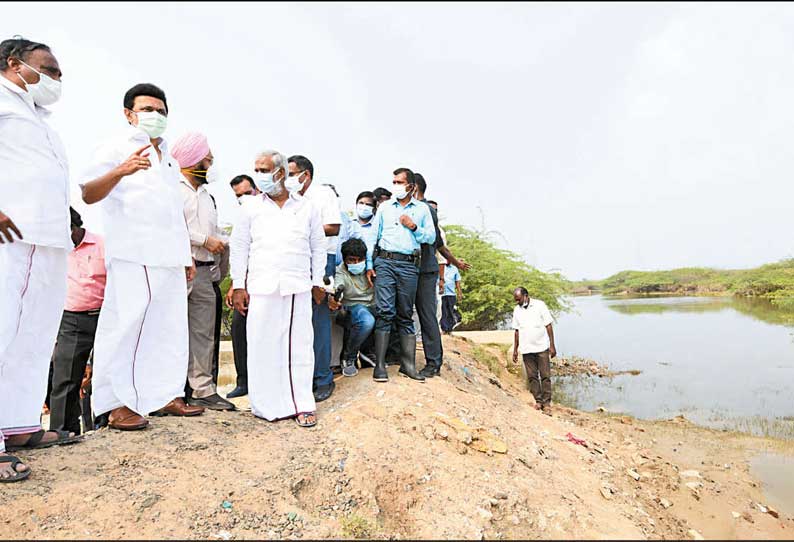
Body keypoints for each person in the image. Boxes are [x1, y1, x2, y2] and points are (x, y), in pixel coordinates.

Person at [80, 83, 204, 431]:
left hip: (168, 257)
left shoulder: (169, 158)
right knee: (124, 328)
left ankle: (164, 395)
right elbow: (89, 193)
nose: (156, 116)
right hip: (134, 252)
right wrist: (120, 170)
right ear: (129, 114)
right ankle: (115, 403)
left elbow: (172, 210)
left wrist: (186, 256)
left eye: (162, 111)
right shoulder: (114, 148)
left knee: (168, 328)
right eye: (148, 109)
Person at [0, 36, 80, 482]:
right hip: (10, 235)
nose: (56, 80)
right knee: (1, 327)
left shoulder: (37, 115)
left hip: (45, 237)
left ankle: (18, 423)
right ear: (14, 64)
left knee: (32, 334)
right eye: (49, 70)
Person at [229, 150, 326, 427]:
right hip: (261, 285)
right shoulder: (249, 207)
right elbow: (239, 247)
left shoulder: (306, 207)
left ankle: (302, 404)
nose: (258, 175)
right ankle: (266, 405)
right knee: (262, 346)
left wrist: (317, 281)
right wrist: (238, 285)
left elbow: (318, 247)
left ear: (280, 173)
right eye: (256, 169)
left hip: (297, 285)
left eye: (263, 170)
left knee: (298, 346)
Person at [172, 132, 235, 411]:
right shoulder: (172, 191)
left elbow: (214, 232)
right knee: (171, 332)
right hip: (177, 271)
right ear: (191, 161)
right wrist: (203, 240)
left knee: (203, 333)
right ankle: (169, 392)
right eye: (207, 160)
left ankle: (202, 389)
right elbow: (167, 228)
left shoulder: (208, 197)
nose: (210, 165)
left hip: (205, 273)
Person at [365, 168, 436, 383]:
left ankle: (408, 365)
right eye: (394, 181)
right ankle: (380, 366)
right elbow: (372, 238)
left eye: (400, 182)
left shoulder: (422, 210)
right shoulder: (385, 208)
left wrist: (414, 227)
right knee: (385, 310)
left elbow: (431, 238)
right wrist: (369, 264)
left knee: (405, 313)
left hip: (409, 265)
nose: (396, 185)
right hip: (385, 262)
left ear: (411, 186)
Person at [286, 155, 341, 403]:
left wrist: (302, 228)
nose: (287, 178)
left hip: (320, 259)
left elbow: (333, 226)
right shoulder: (288, 198)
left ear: (305, 175)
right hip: (294, 260)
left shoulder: (322, 195)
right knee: (297, 322)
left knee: (318, 321)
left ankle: (322, 379)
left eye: (291, 173)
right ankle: (300, 381)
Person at [49, 208, 106, 436]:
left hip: (104, 317)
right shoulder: (55, 250)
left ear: (74, 227)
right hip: (71, 320)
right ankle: (63, 431)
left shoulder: (103, 245)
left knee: (106, 374)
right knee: (66, 377)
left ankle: (105, 424)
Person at [225, 174, 260, 398]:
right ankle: (243, 381)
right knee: (239, 327)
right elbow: (239, 251)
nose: (243, 198)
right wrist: (236, 285)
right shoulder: (242, 216)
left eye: (247, 193)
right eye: (239, 196)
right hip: (246, 283)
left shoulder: (269, 212)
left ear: (257, 190)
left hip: (269, 281)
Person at [329, 238, 376, 377]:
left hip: (372, 306)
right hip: (352, 309)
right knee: (366, 320)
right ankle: (349, 357)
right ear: (344, 260)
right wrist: (335, 297)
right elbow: (338, 287)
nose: (356, 263)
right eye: (351, 260)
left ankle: (369, 353)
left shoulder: (370, 268)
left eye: (359, 260)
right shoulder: (340, 272)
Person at [511, 287, 557, 413]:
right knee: (532, 377)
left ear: (526, 296)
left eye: (519, 299)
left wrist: (552, 345)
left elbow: (548, 325)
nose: (517, 302)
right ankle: (538, 401)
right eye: (516, 300)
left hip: (541, 347)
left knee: (545, 376)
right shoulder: (516, 310)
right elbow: (516, 330)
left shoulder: (540, 305)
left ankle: (547, 404)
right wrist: (515, 349)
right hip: (526, 349)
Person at [439, 263, 462, 333]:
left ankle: (450, 329)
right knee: (443, 311)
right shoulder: (440, 267)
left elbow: (457, 282)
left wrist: (459, 293)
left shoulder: (454, 269)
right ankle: (444, 328)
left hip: (451, 294)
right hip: (441, 294)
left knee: (450, 311)